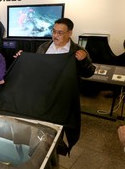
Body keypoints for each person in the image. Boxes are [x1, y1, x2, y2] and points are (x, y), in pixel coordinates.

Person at [14, 18, 96, 155]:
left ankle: (52, 154)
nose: (55, 35)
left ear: (69, 33)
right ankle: (37, 153)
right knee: (39, 126)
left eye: (60, 32)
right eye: (53, 31)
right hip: (42, 96)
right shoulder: (44, 47)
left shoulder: (78, 51)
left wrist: (84, 61)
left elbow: (89, 73)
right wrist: (23, 59)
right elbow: (35, 68)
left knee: (56, 129)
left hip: (62, 98)